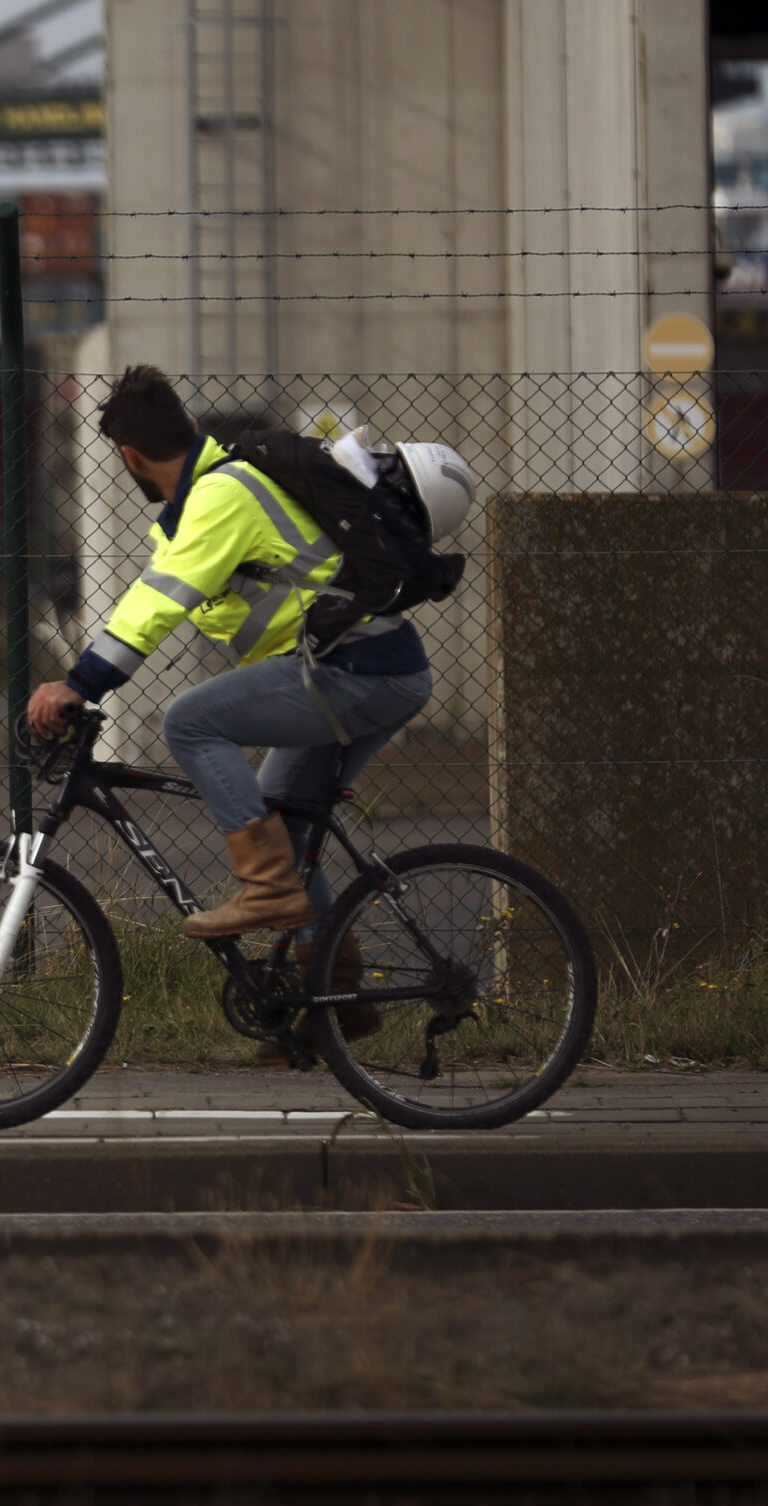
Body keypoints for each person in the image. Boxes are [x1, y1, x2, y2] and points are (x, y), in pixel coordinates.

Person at [24, 366, 473, 1054]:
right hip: (371, 666)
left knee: (190, 722)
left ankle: (264, 892)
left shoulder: (222, 496)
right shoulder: (211, 499)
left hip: (354, 668)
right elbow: (169, 590)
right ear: (193, 429)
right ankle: (337, 1004)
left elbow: (157, 600)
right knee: (285, 823)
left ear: (129, 459)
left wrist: (78, 683)